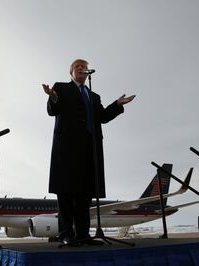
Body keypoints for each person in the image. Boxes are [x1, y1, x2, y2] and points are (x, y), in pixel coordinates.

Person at [42, 59, 135, 245]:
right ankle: (67, 234)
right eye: (78, 67)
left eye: (84, 67)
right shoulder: (61, 88)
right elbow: (53, 111)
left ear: (88, 72)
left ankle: (83, 235)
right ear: (71, 72)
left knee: (85, 194)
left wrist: (117, 104)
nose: (82, 69)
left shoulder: (94, 96)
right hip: (67, 149)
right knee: (66, 193)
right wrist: (53, 96)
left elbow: (102, 117)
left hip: (89, 149)